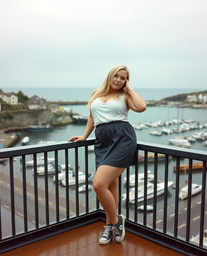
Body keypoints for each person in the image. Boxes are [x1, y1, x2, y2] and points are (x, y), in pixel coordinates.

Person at [68, 65, 146, 244]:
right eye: (116, 76)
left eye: (123, 78)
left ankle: (114, 222)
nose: (119, 80)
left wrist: (130, 89)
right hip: (102, 141)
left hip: (122, 139)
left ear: (126, 81)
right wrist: (84, 136)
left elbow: (141, 107)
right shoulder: (96, 93)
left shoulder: (125, 96)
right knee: (111, 185)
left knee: (98, 183)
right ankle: (112, 225)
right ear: (110, 76)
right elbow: (91, 117)